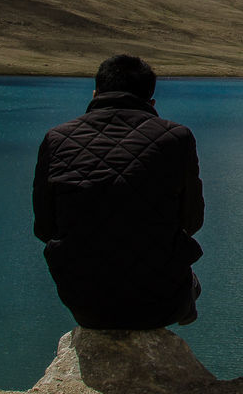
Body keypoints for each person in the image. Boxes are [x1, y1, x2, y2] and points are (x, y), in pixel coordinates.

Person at [33, 54, 204, 329]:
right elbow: (192, 222)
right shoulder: (178, 137)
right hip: (162, 304)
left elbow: (45, 229)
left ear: (95, 93)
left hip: (84, 303)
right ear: (151, 103)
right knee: (188, 281)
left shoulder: (56, 139)